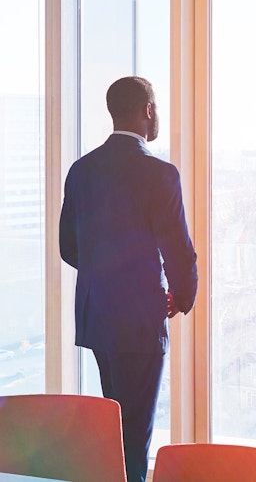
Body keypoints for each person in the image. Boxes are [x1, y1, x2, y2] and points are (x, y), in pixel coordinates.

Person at [59, 76, 198, 482]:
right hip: (139, 321)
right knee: (134, 437)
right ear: (148, 110)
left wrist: (105, 278)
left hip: (97, 318)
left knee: (117, 429)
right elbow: (177, 247)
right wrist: (183, 295)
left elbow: (70, 248)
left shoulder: (81, 170)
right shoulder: (159, 173)